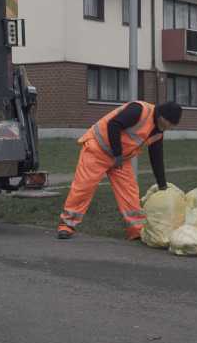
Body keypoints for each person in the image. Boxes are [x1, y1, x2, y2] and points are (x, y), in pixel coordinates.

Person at [57, 100, 183, 240]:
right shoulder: (139, 110)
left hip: (120, 158)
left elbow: (156, 157)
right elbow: (114, 124)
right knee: (83, 187)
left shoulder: (158, 132)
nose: (170, 128)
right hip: (97, 149)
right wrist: (117, 154)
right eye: (170, 124)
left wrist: (162, 184)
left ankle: (136, 229)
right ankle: (66, 225)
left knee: (130, 192)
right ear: (162, 117)